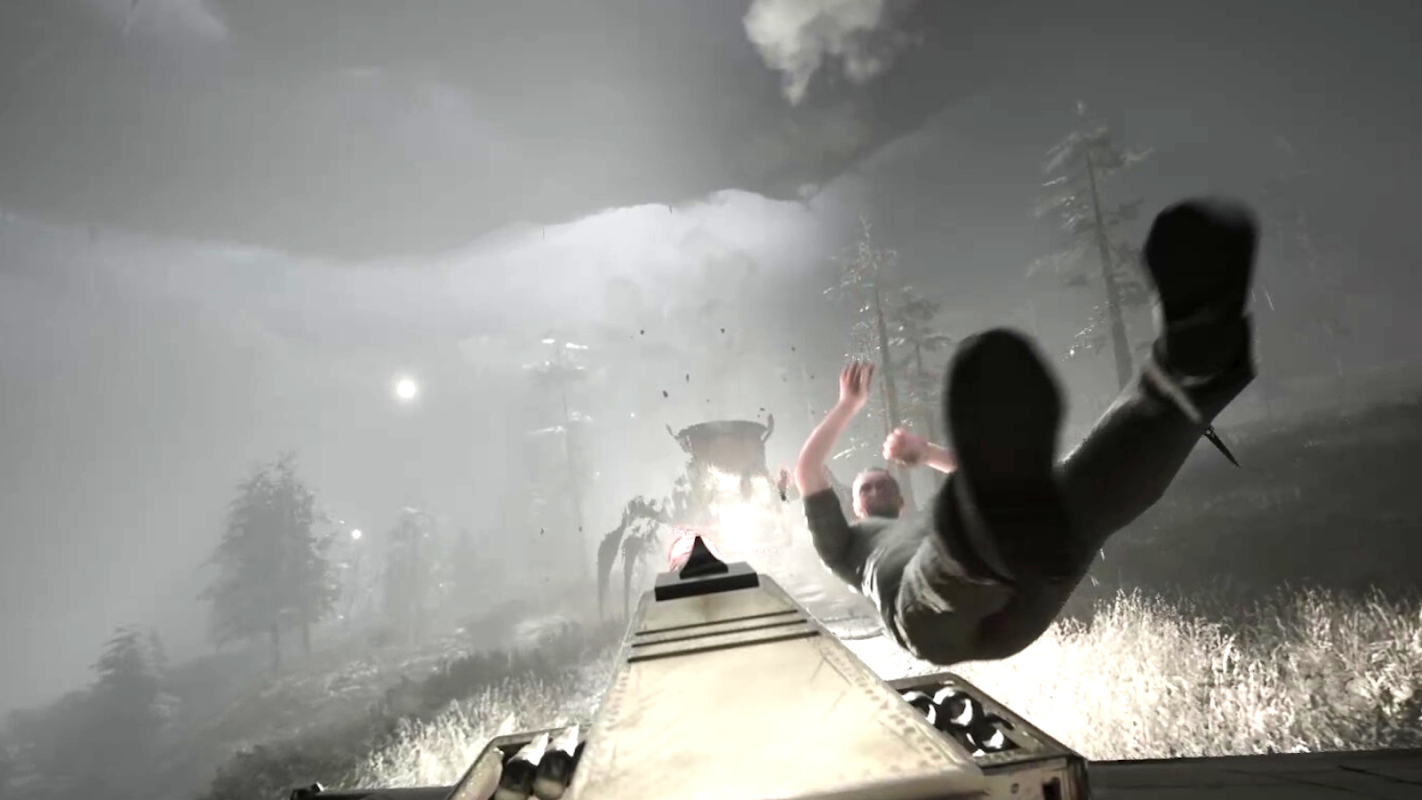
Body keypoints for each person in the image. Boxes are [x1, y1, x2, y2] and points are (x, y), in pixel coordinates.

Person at [794, 197, 1259, 665]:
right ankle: (987, 545)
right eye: (868, 488)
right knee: (970, 534)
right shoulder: (846, 546)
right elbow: (808, 470)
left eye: (882, 485)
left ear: (900, 500)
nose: (876, 490)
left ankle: (1192, 363)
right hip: (930, 620)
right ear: (856, 506)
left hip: (1025, 584)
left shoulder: (930, 518)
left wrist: (927, 450)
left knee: (1072, 497)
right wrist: (847, 406)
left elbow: (982, 476)